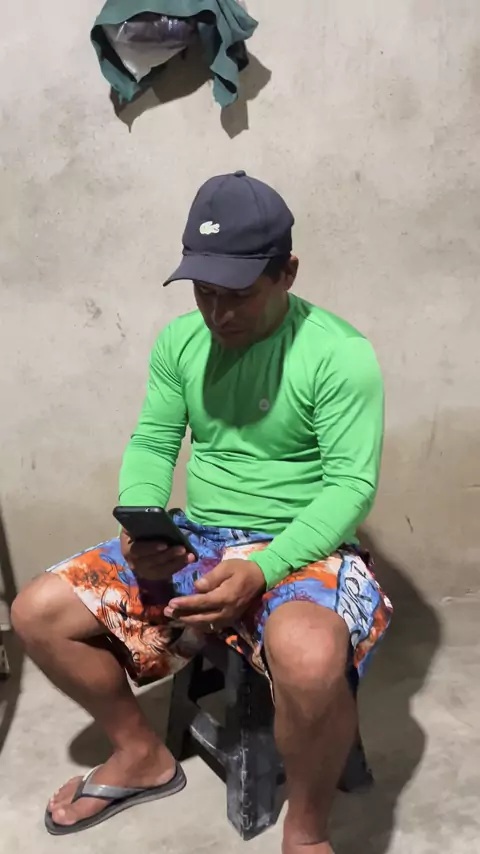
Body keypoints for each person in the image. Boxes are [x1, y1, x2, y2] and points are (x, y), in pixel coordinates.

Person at [12, 171, 392, 854]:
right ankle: (141, 756)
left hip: (304, 543)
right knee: (37, 613)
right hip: (201, 537)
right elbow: (154, 442)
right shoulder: (180, 343)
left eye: (238, 294)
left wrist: (266, 567)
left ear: (287, 273)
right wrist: (142, 524)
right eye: (204, 292)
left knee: (310, 660)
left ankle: (306, 834)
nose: (219, 314)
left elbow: (349, 488)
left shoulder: (339, 354)